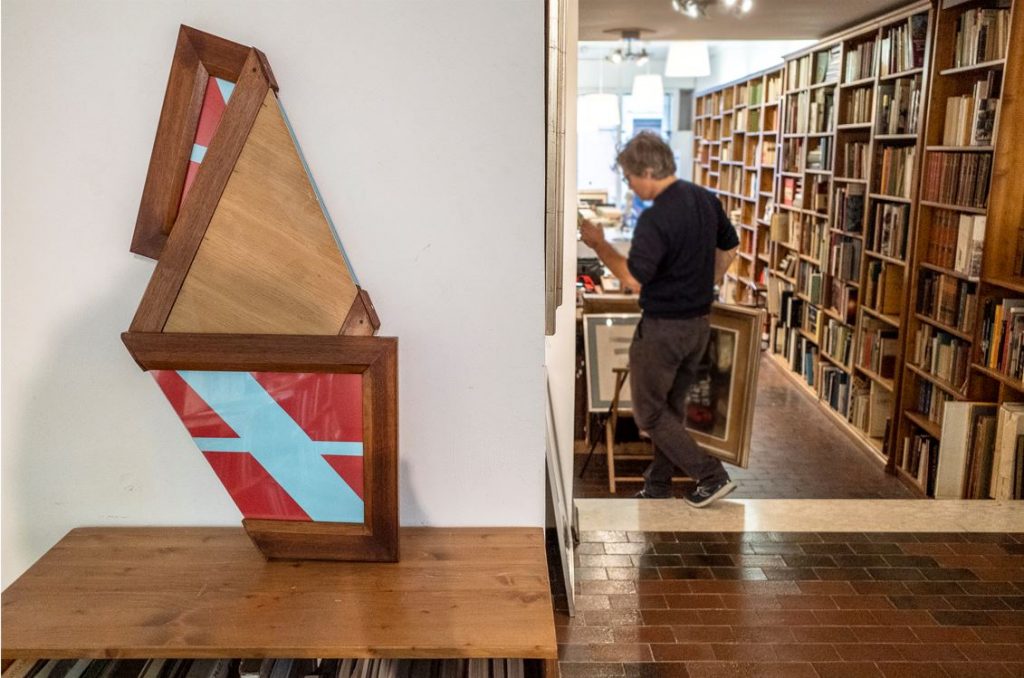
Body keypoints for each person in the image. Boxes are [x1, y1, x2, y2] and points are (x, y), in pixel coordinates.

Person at [579, 131, 739, 508]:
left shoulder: (657, 218)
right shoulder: (705, 200)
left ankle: (711, 476)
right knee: (670, 409)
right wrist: (705, 283)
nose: (630, 186)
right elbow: (730, 248)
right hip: (698, 324)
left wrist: (599, 244)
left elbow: (633, 278)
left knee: (650, 414)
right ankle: (658, 484)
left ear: (649, 171)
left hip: (664, 329)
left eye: (630, 178)